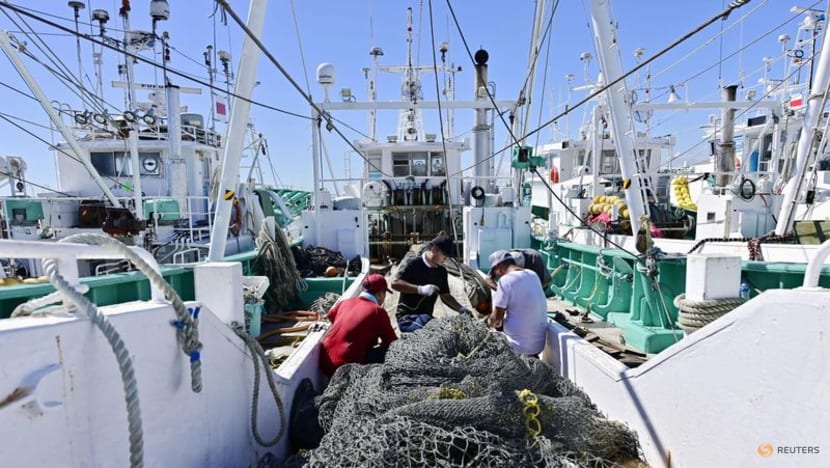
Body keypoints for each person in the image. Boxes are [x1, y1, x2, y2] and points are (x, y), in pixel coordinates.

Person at [319, 274, 398, 377]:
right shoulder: (378, 311)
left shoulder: (345, 302)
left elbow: (331, 316)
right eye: (384, 294)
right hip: (347, 366)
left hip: (324, 361)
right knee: (393, 352)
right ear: (380, 293)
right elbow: (392, 342)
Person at [391, 233, 472, 332]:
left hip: (426, 319)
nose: (445, 259)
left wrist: (460, 308)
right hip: (407, 318)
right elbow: (395, 283)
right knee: (432, 329)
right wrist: (419, 289)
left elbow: (445, 295)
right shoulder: (413, 263)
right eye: (444, 255)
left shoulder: (441, 272)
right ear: (434, 249)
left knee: (444, 331)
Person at [487, 250, 549, 356]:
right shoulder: (532, 274)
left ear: (499, 267)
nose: (496, 275)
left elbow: (497, 320)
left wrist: (489, 321)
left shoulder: (505, 281)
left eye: (495, 272)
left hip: (517, 347)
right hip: (539, 346)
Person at [485, 248, 551, 291]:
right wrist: (499, 290)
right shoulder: (503, 259)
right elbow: (488, 279)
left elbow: (540, 285)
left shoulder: (535, 258)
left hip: (540, 280)